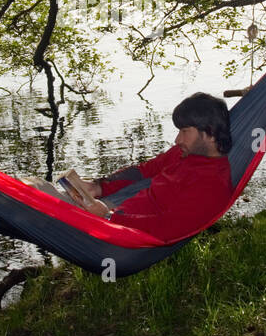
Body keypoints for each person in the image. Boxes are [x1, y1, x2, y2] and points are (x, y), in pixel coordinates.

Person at [65, 92, 233, 241]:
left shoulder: (213, 185)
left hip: (120, 232)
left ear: (210, 134)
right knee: (49, 194)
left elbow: (168, 228)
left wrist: (108, 218)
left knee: (48, 213)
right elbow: (143, 172)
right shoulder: (185, 152)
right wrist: (99, 187)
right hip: (115, 209)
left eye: (184, 131)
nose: (177, 140)